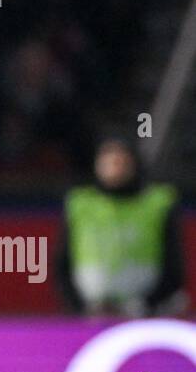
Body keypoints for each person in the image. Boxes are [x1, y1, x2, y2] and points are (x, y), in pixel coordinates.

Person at [54, 135, 186, 316]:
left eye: (122, 160)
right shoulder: (80, 204)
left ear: (134, 164)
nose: (115, 166)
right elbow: (63, 263)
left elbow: (174, 265)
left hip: (146, 313)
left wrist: (142, 305)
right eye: (108, 160)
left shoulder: (158, 202)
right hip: (91, 313)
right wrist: (79, 306)